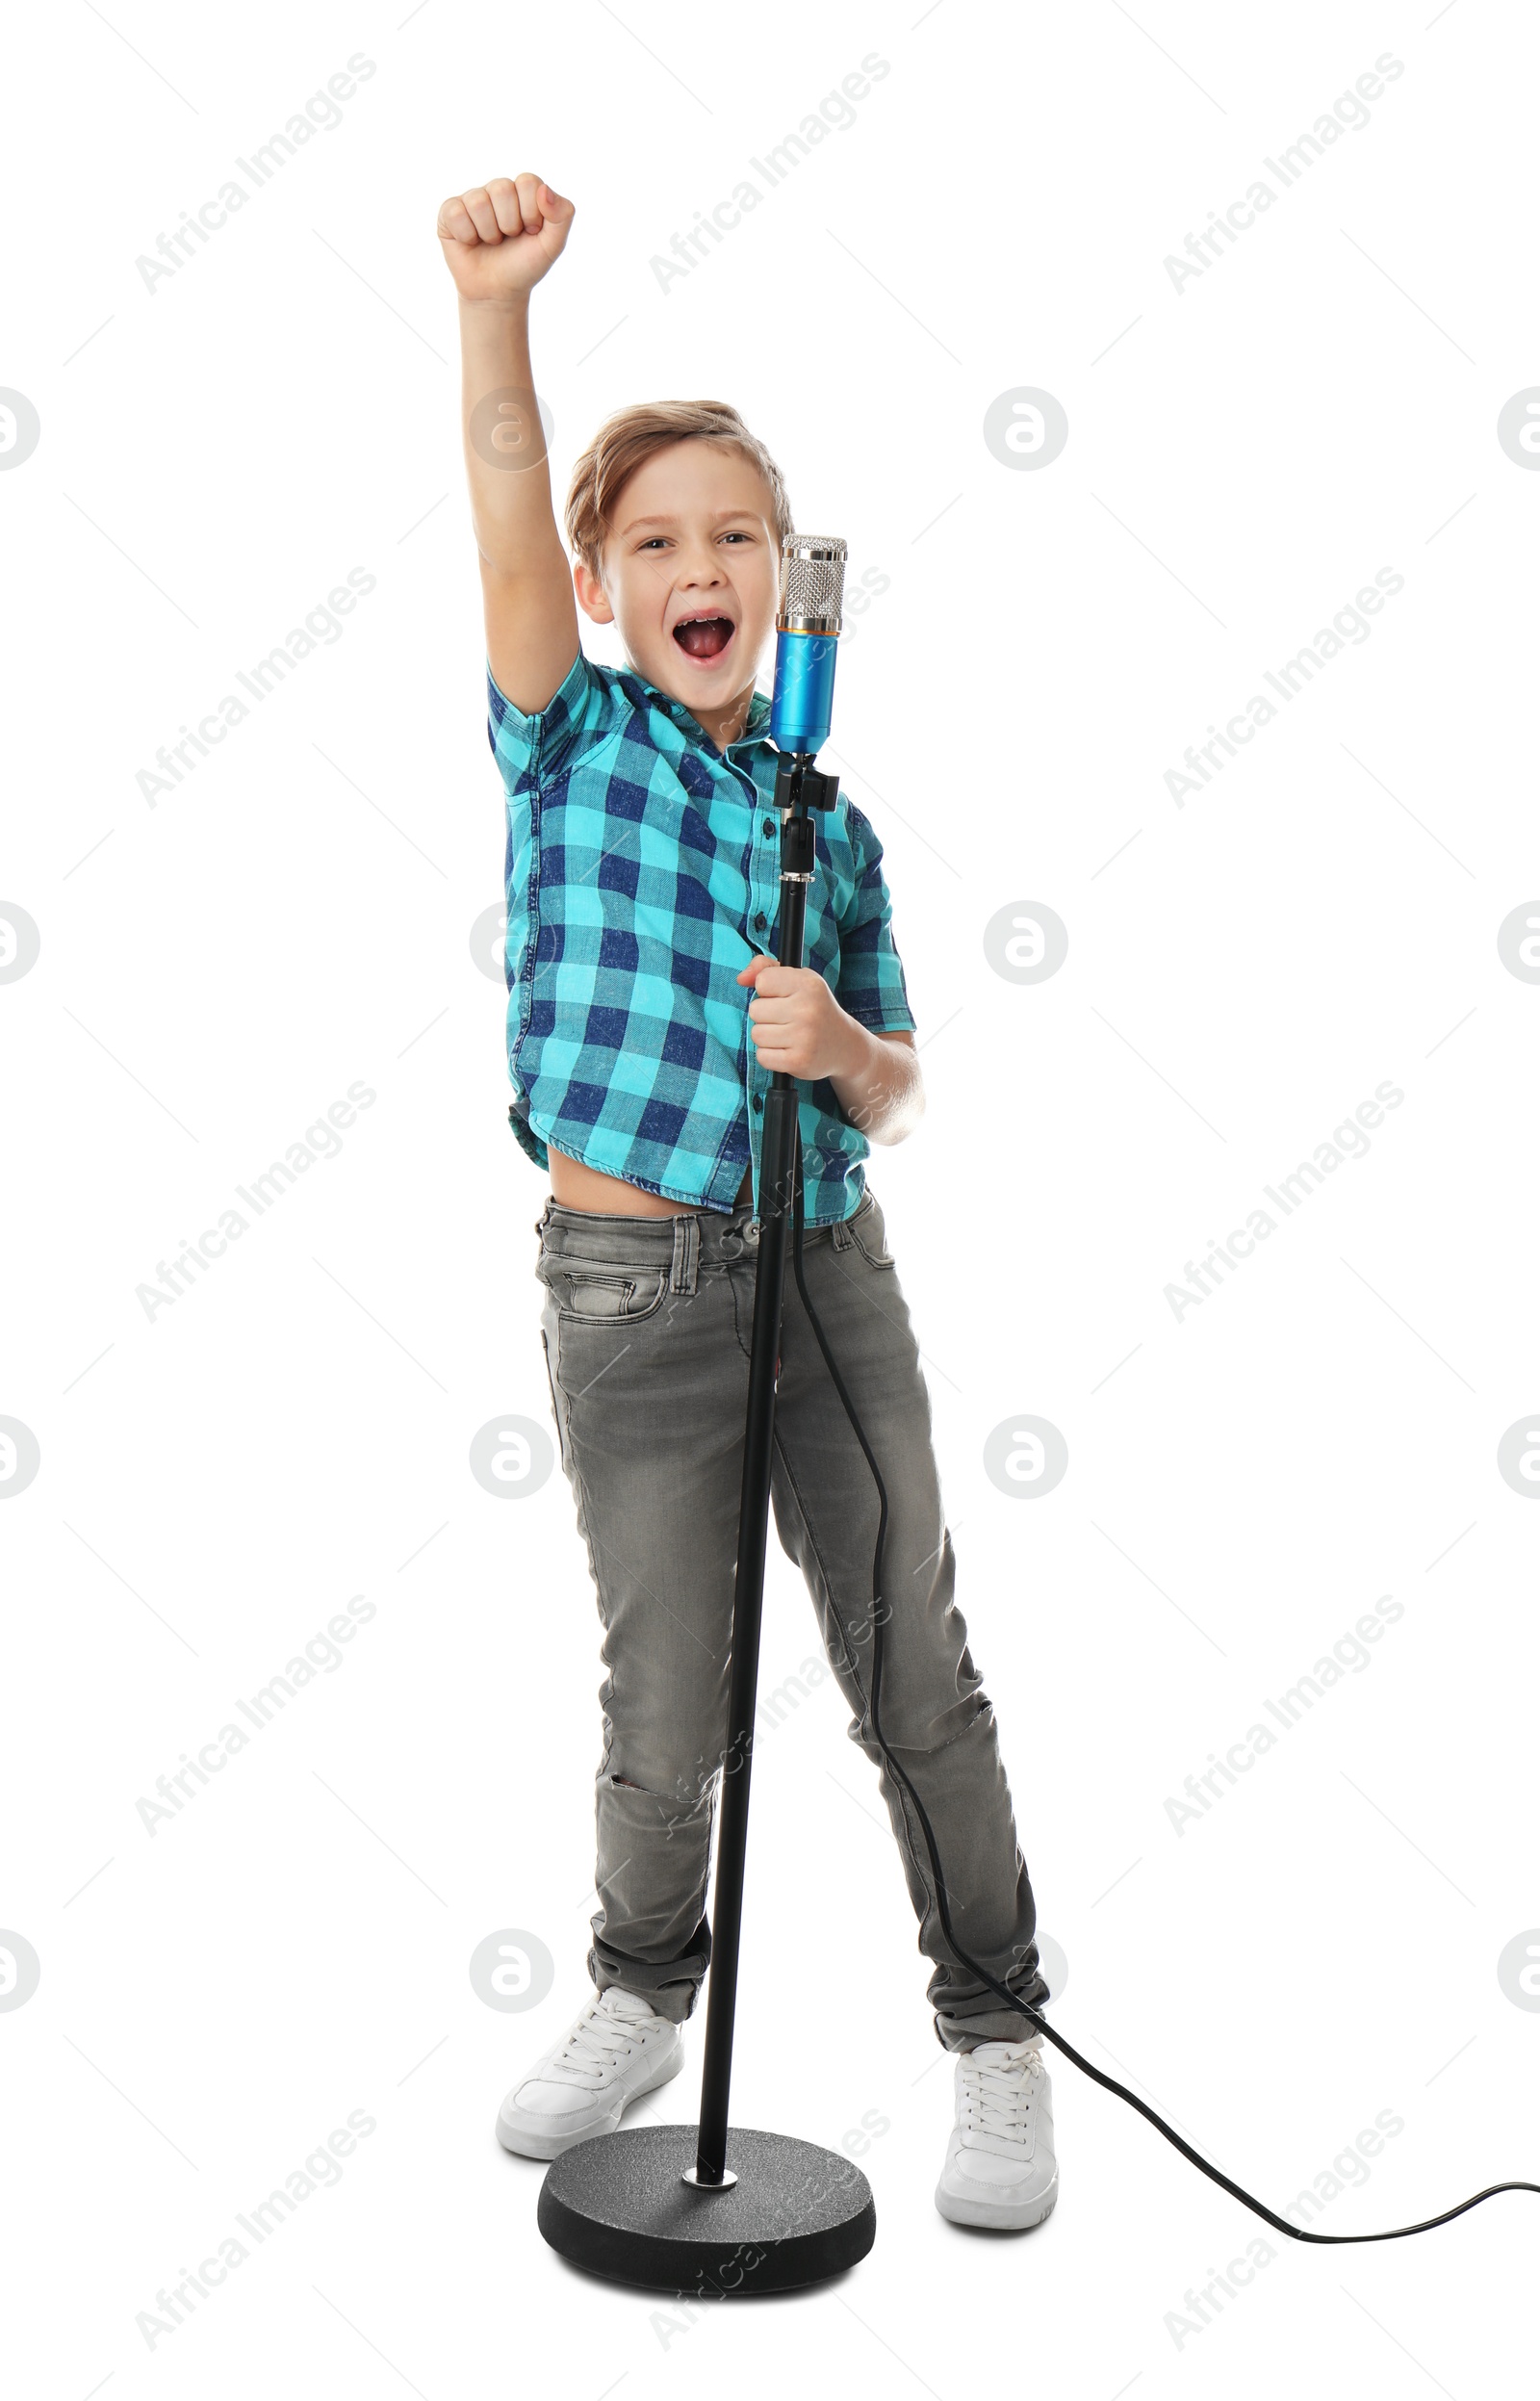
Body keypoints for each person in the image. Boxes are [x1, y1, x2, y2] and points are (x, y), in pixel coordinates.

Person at [438, 171, 1057, 2233]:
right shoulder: (572, 742)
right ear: (607, 592)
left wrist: (838, 1054)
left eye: (737, 540)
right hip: (630, 1283)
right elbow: (506, 498)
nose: (698, 565)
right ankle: (637, 1992)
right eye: (657, 544)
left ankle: (992, 2030)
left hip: (822, 1269)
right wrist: (495, 316)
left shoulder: (829, 823)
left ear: (785, 591)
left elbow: (897, 1075)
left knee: (911, 1659)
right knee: (664, 1679)